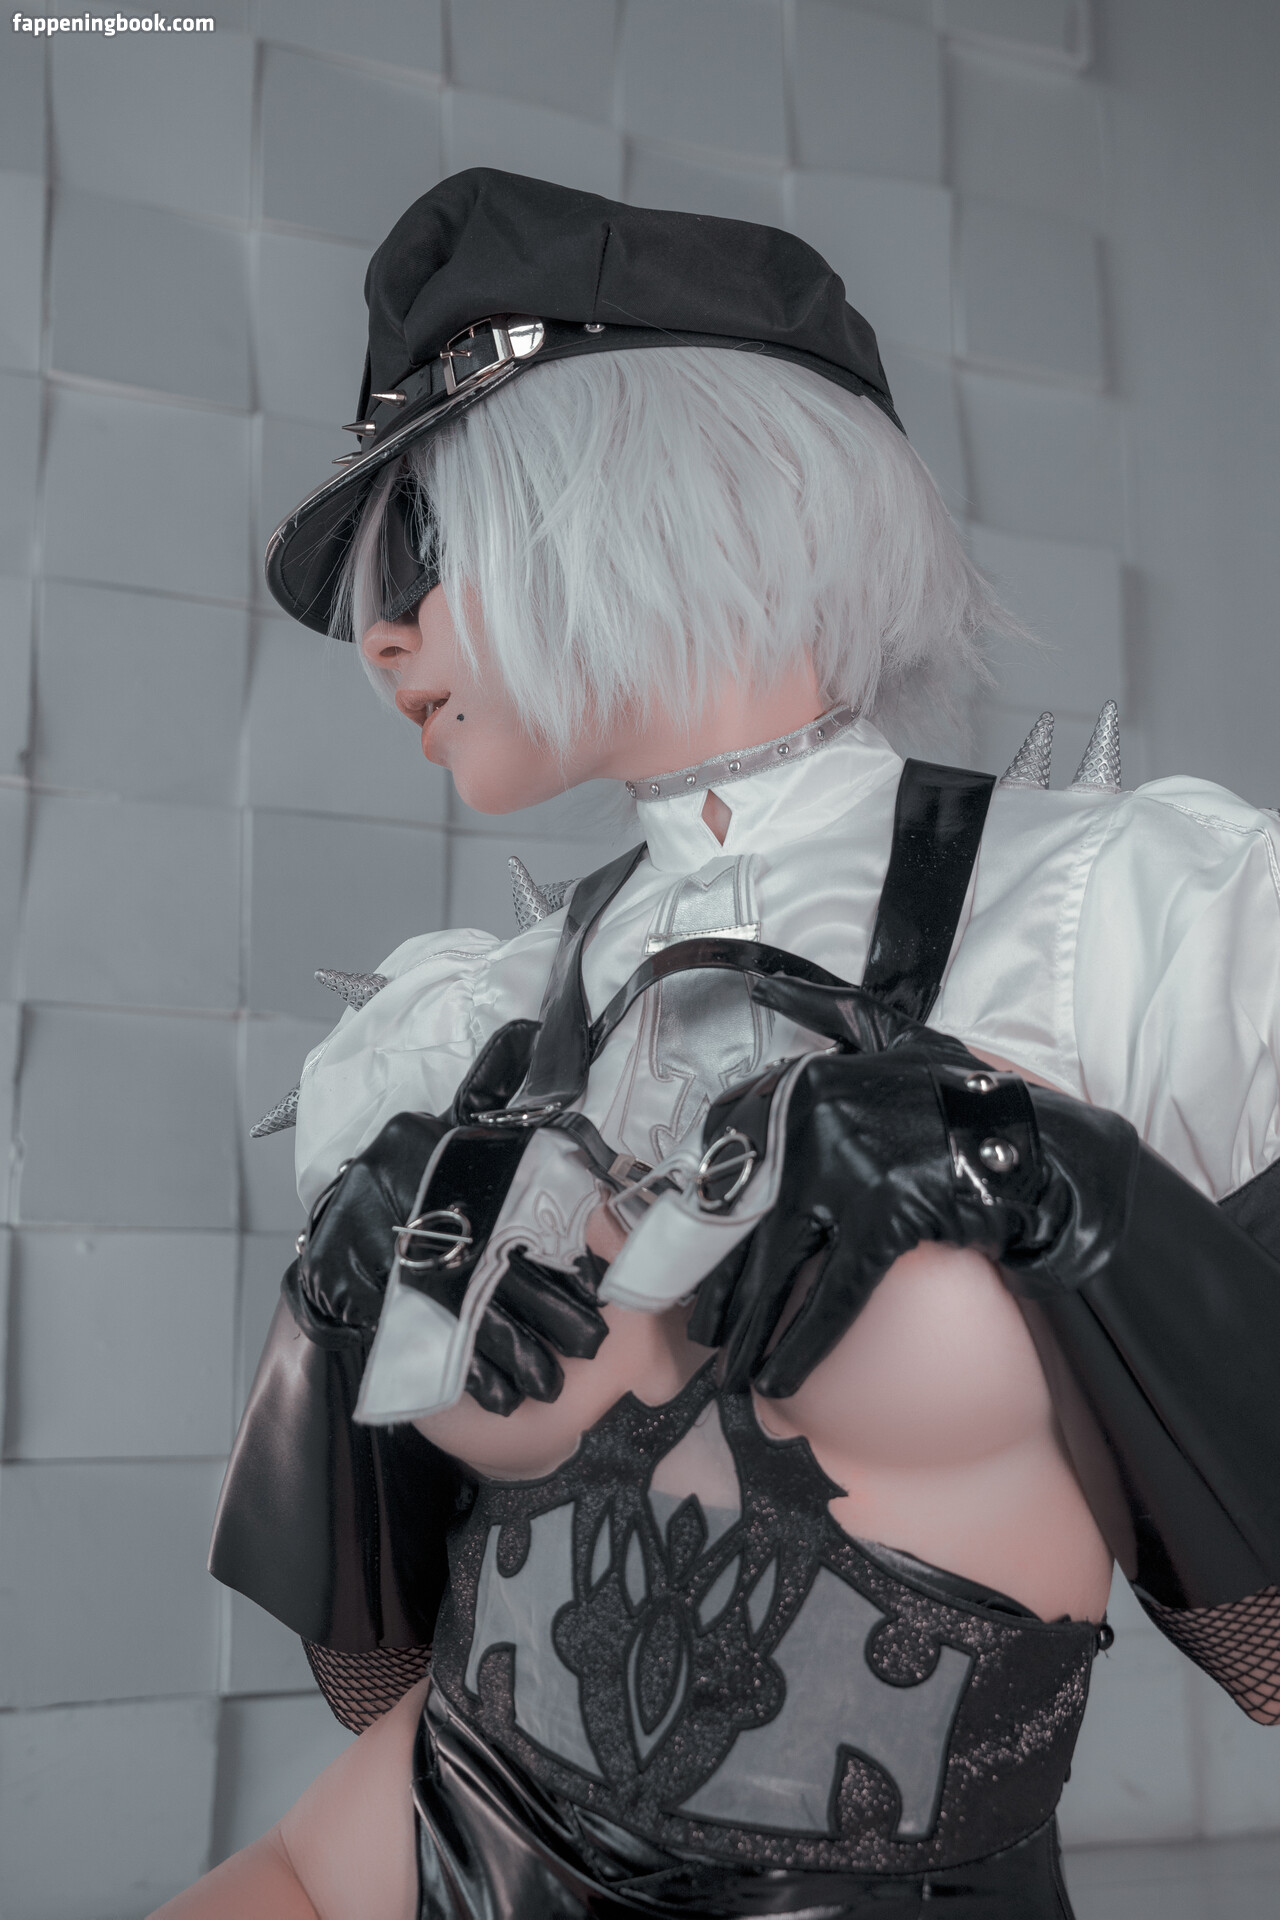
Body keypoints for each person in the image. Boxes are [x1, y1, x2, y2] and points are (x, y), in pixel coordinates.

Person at [154, 170, 1280, 1920]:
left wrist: (1041, 1174)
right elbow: (377, 1669)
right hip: (403, 1855)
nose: (376, 635)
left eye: (426, 542)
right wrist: (343, 1298)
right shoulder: (461, 1028)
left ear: (665, 490)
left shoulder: (1126, 920)